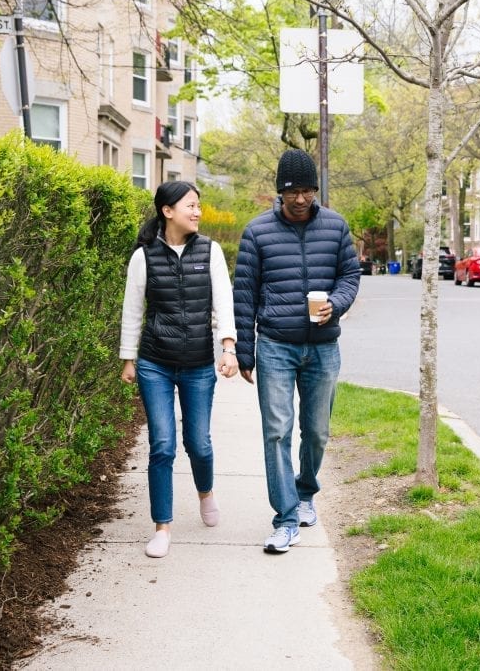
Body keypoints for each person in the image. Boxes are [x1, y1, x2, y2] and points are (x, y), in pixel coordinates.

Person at [233, 149, 361, 554]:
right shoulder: (257, 232)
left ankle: (306, 492)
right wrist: (245, 352)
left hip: (323, 347)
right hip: (275, 345)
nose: (302, 199)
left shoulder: (336, 226)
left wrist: (336, 304)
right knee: (276, 433)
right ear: (280, 192)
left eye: (308, 190)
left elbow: (350, 274)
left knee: (317, 431)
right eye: (294, 192)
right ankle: (285, 518)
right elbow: (244, 295)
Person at [119, 181, 239, 558]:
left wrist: (228, 347)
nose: (197, 212)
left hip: (198, 364)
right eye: (190, 205)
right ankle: (162, 527)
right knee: (163, 445)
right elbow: (133, 309)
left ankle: (206, 493)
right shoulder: (144, 257)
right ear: (167, 211)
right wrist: (128, 357)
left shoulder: (211, 251)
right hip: (155, 362)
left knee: (198, 444)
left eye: (198, 206)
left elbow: (223, 301)